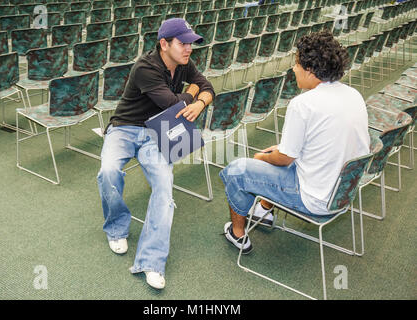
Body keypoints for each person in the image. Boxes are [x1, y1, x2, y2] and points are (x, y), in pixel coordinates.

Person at [219, 31, 370, 253]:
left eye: (297, 63)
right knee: (276, 152)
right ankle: (262, 211)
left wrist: (262, 157)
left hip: (313, 198)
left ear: (310, 70)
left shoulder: (304, 104)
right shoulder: (353, 95)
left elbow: (284, 158)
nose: (293, 68)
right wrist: (277, 152)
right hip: (341, 193)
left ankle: (237, 233)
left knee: (238, 170)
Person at [97, 18, 215, 289]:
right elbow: (174, 106)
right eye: (183, 43)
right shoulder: (145, 67)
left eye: (191, 44)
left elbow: (208, 87)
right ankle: (116, 228)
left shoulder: (185, 63)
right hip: (125, 128)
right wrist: (192, 95)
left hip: (156, 132)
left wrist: (199, 99)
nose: (189, 49)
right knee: (108, 171)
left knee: (164, 185)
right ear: (164, 44)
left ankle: (151, 261)